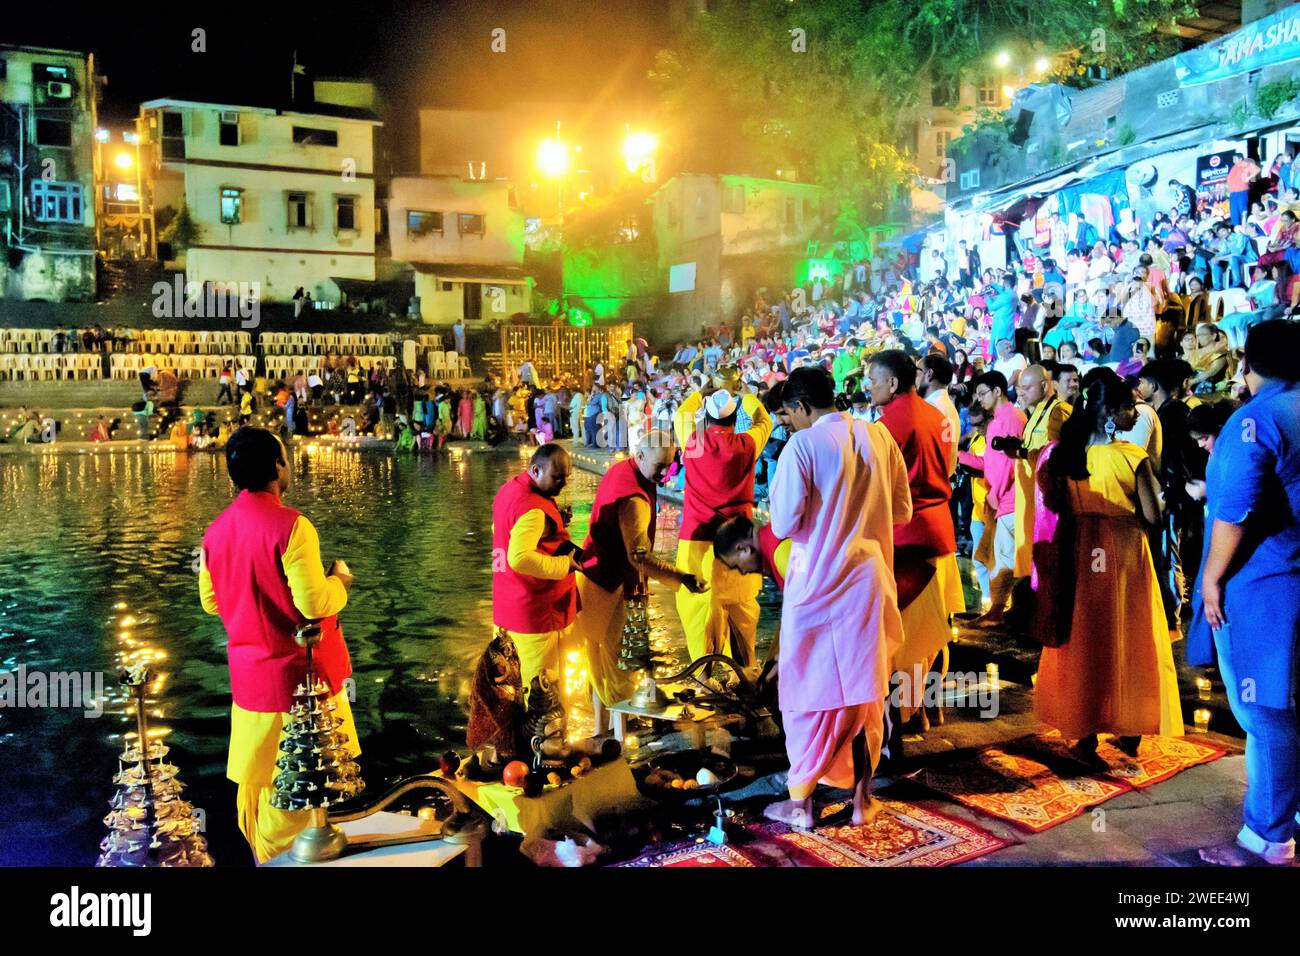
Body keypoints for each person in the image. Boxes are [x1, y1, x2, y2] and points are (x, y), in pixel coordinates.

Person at [198, 427, 358, 863]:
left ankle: (263, 858)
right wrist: (338, 583)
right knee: (303, 782)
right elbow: (312, 603)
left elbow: (211, 602)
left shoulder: (214, 533)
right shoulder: (292, 525)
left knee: (261, 783)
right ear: (276, 467)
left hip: (250, 683)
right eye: (285, 458)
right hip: (299, 680)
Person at [764, 366, 911, 829]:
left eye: (788, 414)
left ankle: (802, 803)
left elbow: (784, 524)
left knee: (808, 693)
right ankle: (863, 801)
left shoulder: (803, 447)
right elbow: (903, 510)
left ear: (803, 407)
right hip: (868, 582)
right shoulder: (880, 438)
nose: (787, 423)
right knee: (864, 696)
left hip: (817, 586)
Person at [1190, 321, 1300, 867]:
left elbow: (1232, 510)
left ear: (1248, 364)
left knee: (1265, 713)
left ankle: (1267, 837)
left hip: (1266, 588)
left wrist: (1210, 579)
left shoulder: (1256, 419)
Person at [1034, 371, 1182, 760]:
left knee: (1084, 638)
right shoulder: (1132, 457)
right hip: (1125, 552)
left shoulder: (1066, 454)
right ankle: (1129, 723)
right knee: (1128, 638)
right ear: (1112, 412)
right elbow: (1152, 516)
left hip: (1080, 552)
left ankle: (1083, 730)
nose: (1135, 412)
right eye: (1129, 406)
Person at [574, 430, 706, 728]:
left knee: (601, 667)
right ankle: (620, 736)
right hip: (607, 586)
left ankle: (602, 731)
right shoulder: (634, 498)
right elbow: (639, 557)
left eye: (669, 467)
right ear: (640, 455)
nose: (664, 474)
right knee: (617, 668)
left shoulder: (623, 470)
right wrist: (680, 577)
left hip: (594, 577)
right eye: (659, 466)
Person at [867, 349, 959, 736]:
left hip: (906, 535)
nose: (868, 387)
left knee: (903, 633)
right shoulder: (937, 415)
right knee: (935, 628)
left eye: (872, 380)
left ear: (891, 383)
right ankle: (929, 708)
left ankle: (908, 712)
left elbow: (877, 485)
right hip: (939, 527)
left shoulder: (889, 424)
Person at [673, 383, 773, 666]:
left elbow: (681, 413)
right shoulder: (747, 444)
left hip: (697, 540)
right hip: (738, 543)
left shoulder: (693, 441)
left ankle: (704, 677)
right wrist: (746, 396)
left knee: (699, 609)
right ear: (733, 420)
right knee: (741, 607)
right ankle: (743, 674)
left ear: (707, 418)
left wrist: (700, 394)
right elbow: (765, 420)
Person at [490, 444, 581, 697]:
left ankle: (517, 736)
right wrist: (564, 564)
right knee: (540, 691)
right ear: (535, 470)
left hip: (508, 605)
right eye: (557, 477)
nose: (563, 483)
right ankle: (544, 738)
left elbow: (503, 532)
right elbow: (519, 558)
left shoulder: (509, 490)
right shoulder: (533, 509)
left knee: (510, 688)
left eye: (566, 477)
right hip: (535, 612)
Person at [960, 371, 1027, 628]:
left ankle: (997, 614)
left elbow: (1007, 464)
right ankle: (1000, 612)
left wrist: (995, 494)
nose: (979, 399)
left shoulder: (1004, 420)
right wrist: (962, 457)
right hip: (1009, 498)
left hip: (1007, 500)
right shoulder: (1010, 416)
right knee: (1004, 559)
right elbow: (993, 463)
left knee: (1004, 561)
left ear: (998, 391)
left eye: (982, 393)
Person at [1010, 365, 1072, 587]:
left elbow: (1055, 455)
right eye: (1019, 388)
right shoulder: (1036, 412)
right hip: (1030, 502)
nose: (1021, 393)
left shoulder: (1058, 411)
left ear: (1045, 386)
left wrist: (1022, 453)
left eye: (1026, 387)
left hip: (1046, 506)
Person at [916, 353, 960, 476]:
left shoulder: (932, 407)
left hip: (931, 482)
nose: (914, 378)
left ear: (929, 374)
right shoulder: (946, 405)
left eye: (918, 371)